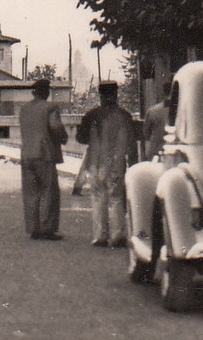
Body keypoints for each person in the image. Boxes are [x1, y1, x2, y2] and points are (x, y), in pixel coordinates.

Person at [77, 82, 137, 247]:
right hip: (117, 163)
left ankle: (100, 236)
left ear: (100, 95)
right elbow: (132, 143)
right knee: (116, 198)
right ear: (116, 94)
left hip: (96, 163)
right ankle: (118, 235)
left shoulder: (91, 115)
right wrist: (133, 163)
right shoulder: (125, 116)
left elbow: (80, 138)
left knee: (97, 198)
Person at [18, 78, 68, 240]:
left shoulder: (24, 109)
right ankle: (47, 228)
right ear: (46, 92)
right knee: (48, 191)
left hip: (27, 154)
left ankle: (34, 228)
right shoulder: (50, 108)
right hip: (44, 154)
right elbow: (55, 126)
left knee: (31, 192)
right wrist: (63, 137)